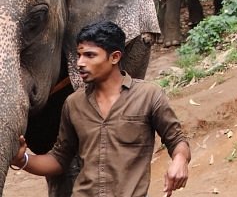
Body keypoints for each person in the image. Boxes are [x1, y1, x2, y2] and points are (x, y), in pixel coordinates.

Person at [10, 20, 191, 197]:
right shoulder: (73, 103)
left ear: (115, 57)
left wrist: (180, 159)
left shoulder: (148, 95)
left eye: (90, 55)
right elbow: (59, 159)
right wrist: (23, 159)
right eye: (79, 55)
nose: (80, 62)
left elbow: (177, 140)